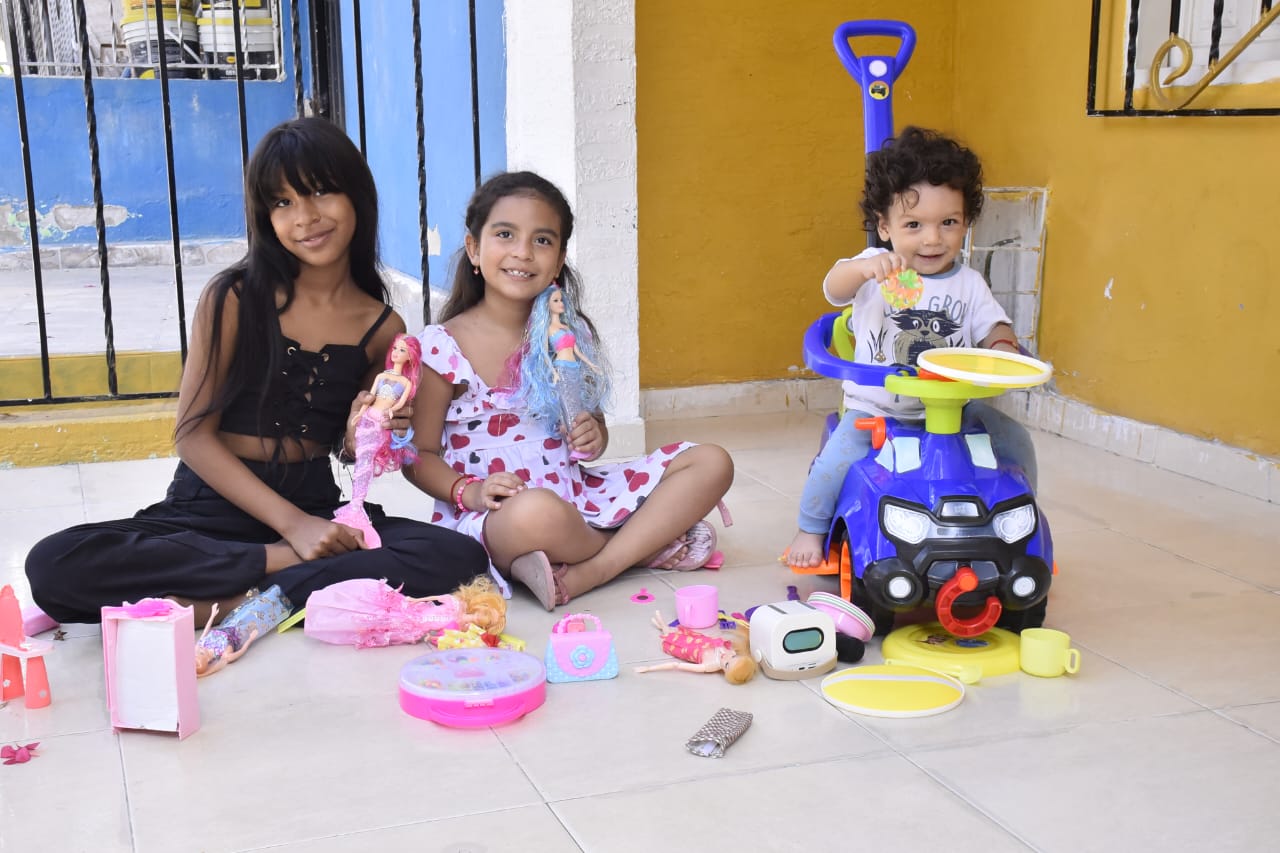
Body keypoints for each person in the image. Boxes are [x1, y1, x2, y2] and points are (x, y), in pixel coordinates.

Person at [24, 117, 488, 625]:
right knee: (55, 564)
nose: (305, 217)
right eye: (283, 202)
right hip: (211, 504)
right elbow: (193, 436)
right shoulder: (235, 297)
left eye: (321, 192)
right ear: (265, 216)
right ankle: (276, 586)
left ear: (357, 196)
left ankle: (218, 605)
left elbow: (350, 452)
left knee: (457, 557)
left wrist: (362, 434)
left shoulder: (381, 325)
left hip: (314, 499)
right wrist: (292, 537)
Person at [405, 170, 734, 610]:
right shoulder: (440, 348)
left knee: (711, 462)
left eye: (542, 240)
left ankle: (590, 568)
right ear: (474, 250)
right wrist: (471, 491)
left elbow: (588, 428)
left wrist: (594, 433)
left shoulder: (568, 335)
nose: (523, 252)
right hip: (500, 513)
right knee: (534, 512)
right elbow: (418, 456)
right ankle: (639, 544)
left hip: (579, 496)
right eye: (505, 234)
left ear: (559, 261)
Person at [786, 126, 1039, 568]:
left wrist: (1005, 344)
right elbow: (833, 288)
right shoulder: (874, 274)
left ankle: (1019, 522)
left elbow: (992, 326)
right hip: (876, 410)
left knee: (1015, 440)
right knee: (836, 459)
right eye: (913, 225)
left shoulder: (969, 284)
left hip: (955, 411)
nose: (932, 239)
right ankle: (810, 527)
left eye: (949, 223)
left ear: (965, 224)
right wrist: (865, 268)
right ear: (884, 227)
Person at [333, 333, 422, 547]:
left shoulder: (405, 382)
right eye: (396, 349)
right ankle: (355, 506)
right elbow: (370, 396)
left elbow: (400, 402)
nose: (397, 353)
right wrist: (359, 413)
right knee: (362, 459)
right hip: (367, 419)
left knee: (368, 461)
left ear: (410, 357)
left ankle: (357, 505)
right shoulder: (381, 377)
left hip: (380, 421)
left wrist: (391, 412)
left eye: (403, 350)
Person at [633, 611, 757, 684]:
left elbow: (676, 665)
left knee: (670, 637)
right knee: (677, 632)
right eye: (734, 656)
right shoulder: (729, 650)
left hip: (686, 647)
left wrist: (649, 668)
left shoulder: (710, 666)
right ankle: (662, 626)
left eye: (727, 665)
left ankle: (662, 626)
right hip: (697, 639)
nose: (727, 657)